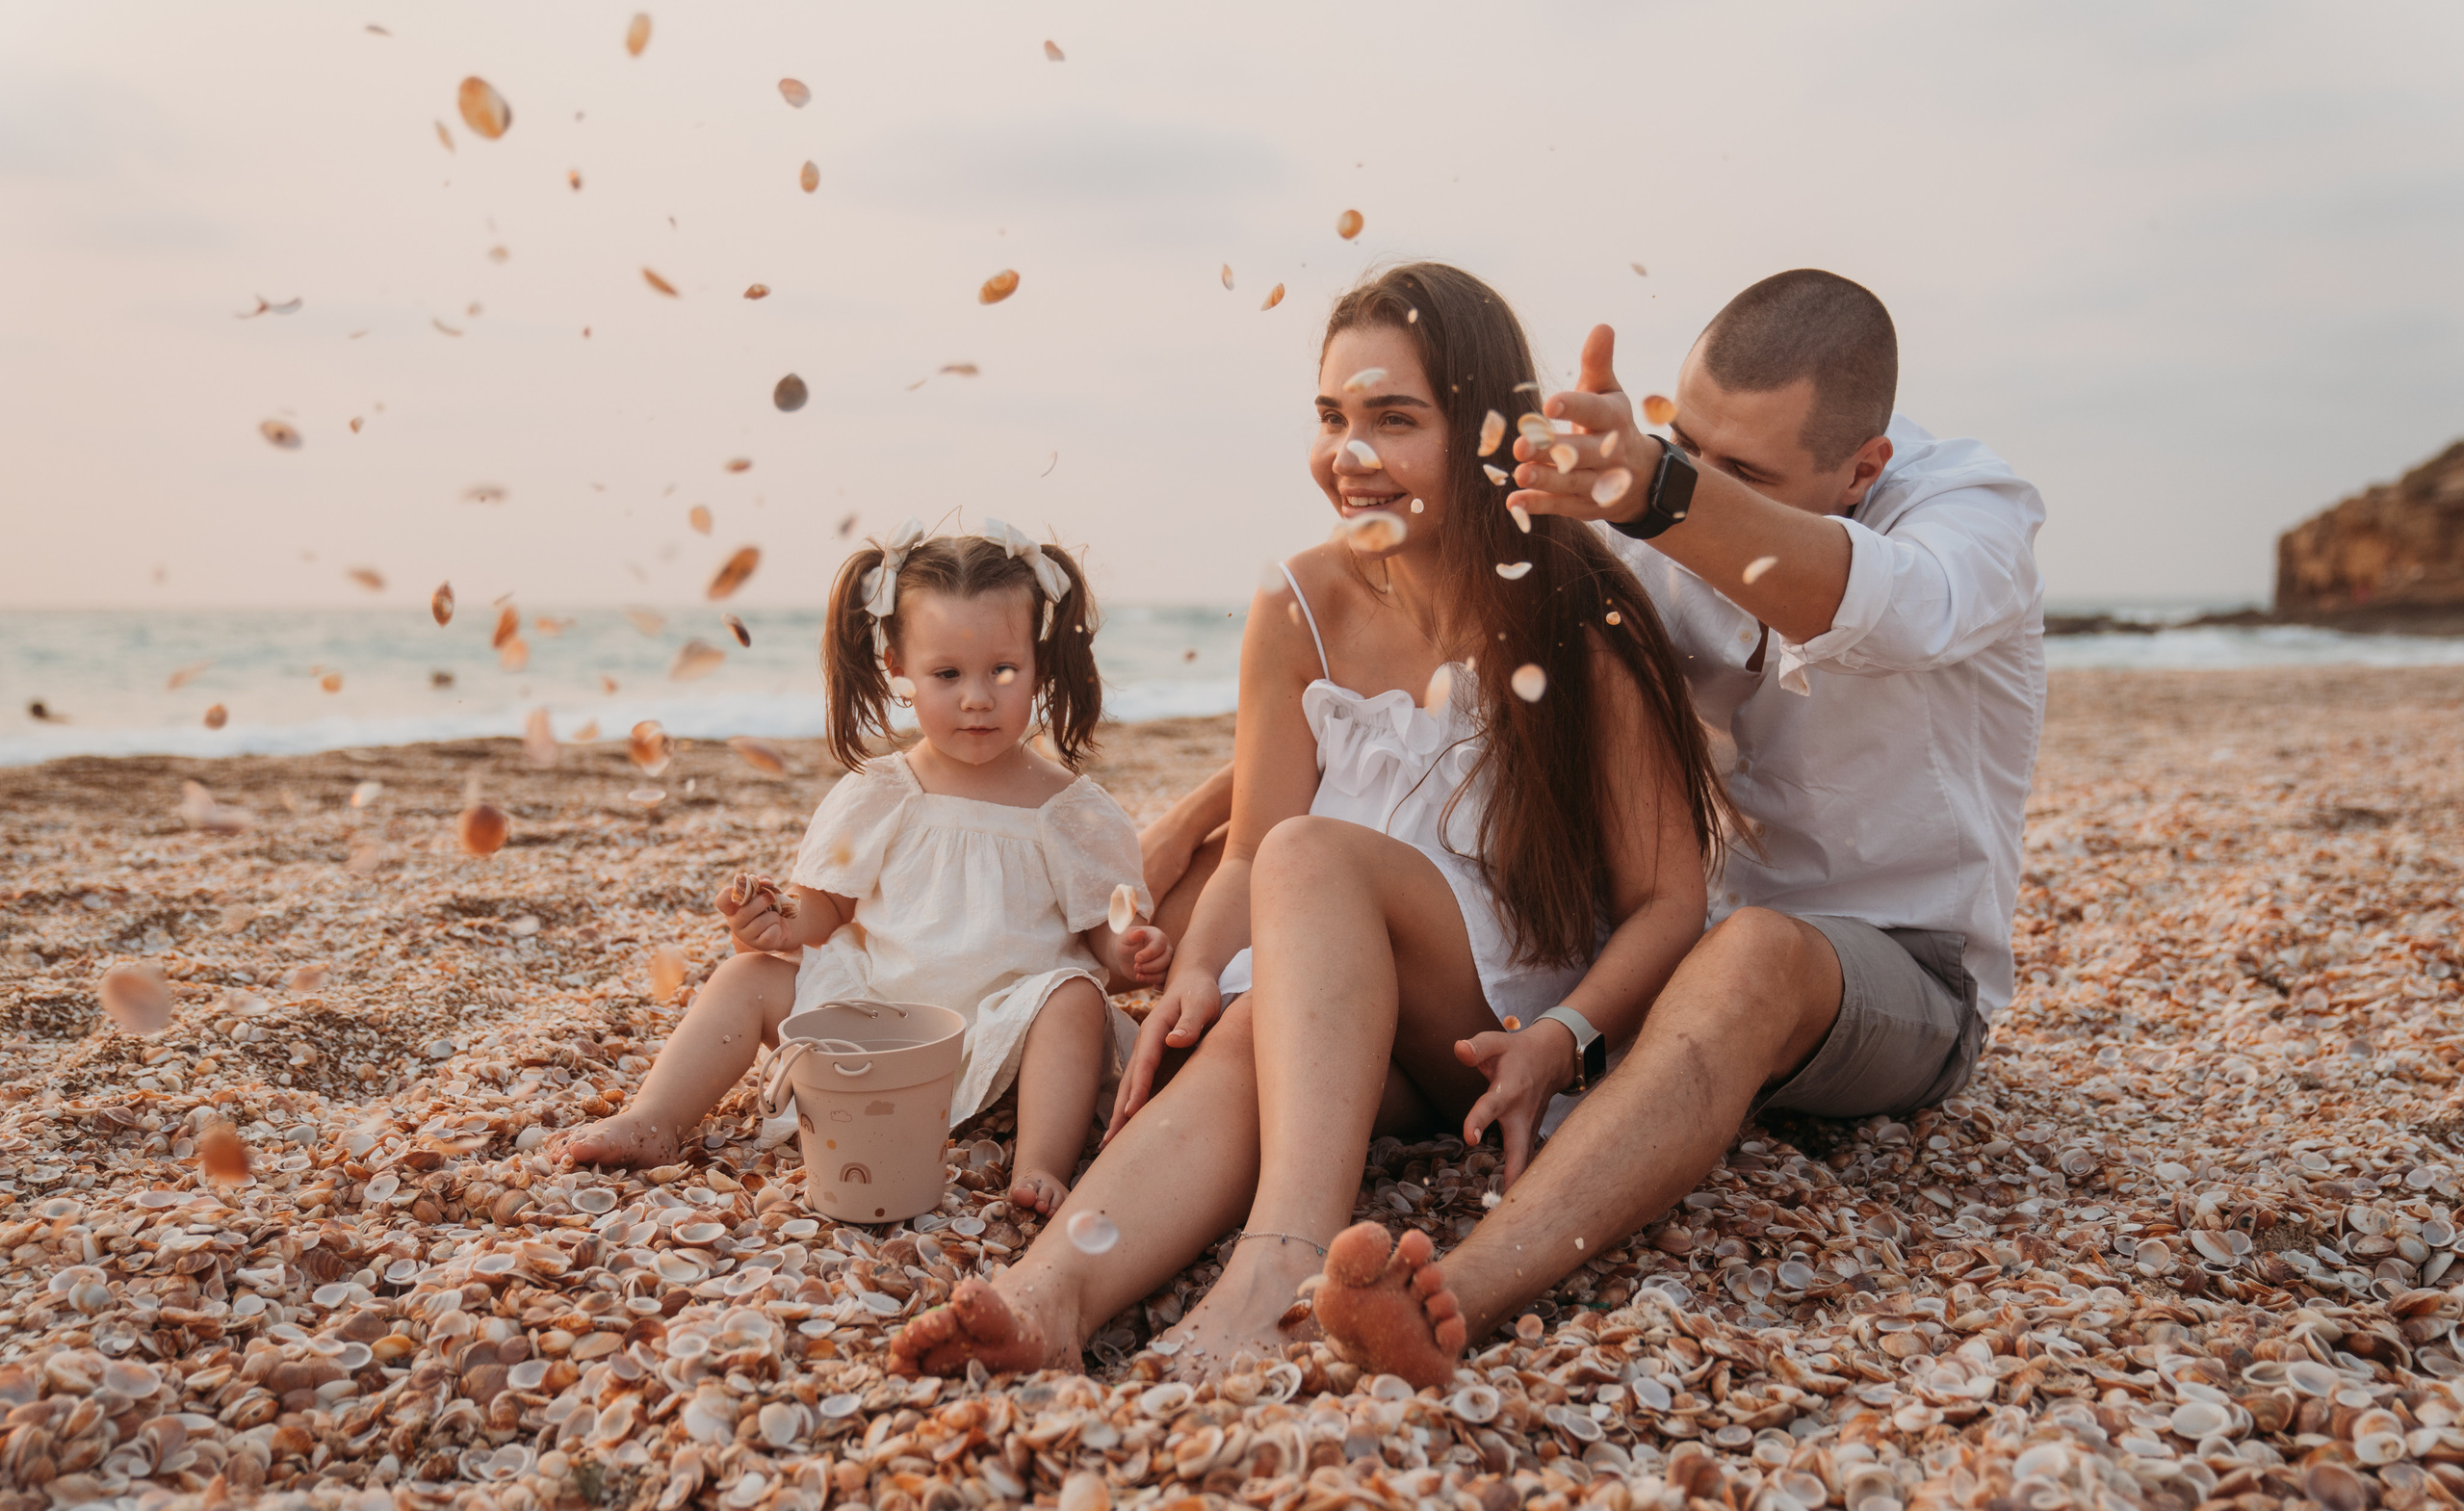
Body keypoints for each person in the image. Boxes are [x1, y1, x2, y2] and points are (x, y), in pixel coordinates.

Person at [889, 262, 1735, 1381]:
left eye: (1394, 419)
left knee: (1311, 855)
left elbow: (1671, 899)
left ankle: (1268, 1275)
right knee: (1239, 1031)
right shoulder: (1296, 603)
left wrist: (1562, 1037)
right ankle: (1049, 1294)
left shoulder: (1577, 615)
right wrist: (1196, 965)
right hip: (1339, 1003)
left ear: (1487, 431)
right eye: (1333, 417)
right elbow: (1246, 846)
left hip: (1486, 1021)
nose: (1350, 454)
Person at [1282, 269, 2052, 1385]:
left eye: (1741, 473)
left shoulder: (1967, 514)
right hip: (1676, 964)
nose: (1702, 485)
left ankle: (1463, 1293)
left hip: (1908, 980)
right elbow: (1429, 691)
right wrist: (1203, 821)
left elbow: (1891, 602)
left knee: (1754, 955)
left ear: (1862, 468)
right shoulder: (1655, 514)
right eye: (1685, 444)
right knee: (1300, 891)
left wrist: (1657, 489)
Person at [552, 522, 1174, 1214]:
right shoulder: (882, 792)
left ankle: (1038, 1165)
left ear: (1040, 663)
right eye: (947, 674)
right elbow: (825, 910)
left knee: (1076, 1000)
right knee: (745, 977)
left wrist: (1130, 947)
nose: (976, 697)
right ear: (897, 671)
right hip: (879, 1025)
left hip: (1010, 1037)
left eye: (1003, 671)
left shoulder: (1068, 810)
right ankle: (656, 1117)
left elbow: (1100, 935)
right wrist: (778, 922)